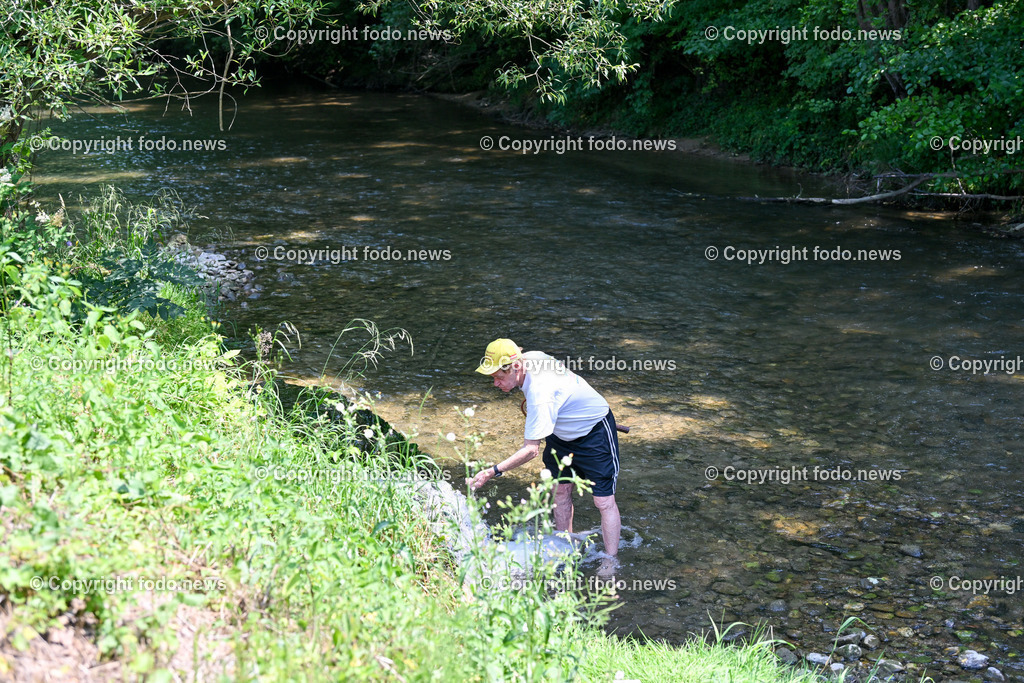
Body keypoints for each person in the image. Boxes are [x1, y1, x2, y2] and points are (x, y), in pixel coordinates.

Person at [468, 338, 622, 569]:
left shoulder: (541, 393)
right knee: (559, 490)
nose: (495, 384)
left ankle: (610, 562)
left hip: (593, 432)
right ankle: (564, 546)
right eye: (493, 378)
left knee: (603, 501)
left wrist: (493, 471)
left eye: (498, 377)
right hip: (559, 433)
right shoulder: (529, 358)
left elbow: (530, 450)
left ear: (516, 367)